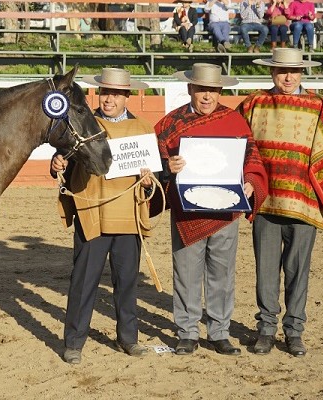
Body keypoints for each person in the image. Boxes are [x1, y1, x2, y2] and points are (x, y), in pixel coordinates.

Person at [238, 48, 323, 357]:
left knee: (299, 270)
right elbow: (234, 143)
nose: (288, 77)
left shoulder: (319, 106)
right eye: (282, 71)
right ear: (271, 72)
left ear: (302, 73)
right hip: (267, 203)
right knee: (266, 271)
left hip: (304, 205)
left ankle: (294, 331)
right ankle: (266, 329)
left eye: (294, 71)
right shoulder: (253, 104)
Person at [154, 63, 268, 356]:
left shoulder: (235, 121)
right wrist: (168, 167)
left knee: (222, 273)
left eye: (213, 90)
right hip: (187, 212)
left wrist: (251, 183)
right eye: (201, 89)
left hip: (224, 213)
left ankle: (219, 332)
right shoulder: (171, 123)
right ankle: (187, 332)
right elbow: (155, 159)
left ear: (220, 91)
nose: (207, 96)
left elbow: (252, 159)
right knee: (186, 274)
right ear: (190, 88)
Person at [51, 68, 154, 365]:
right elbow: (65, 164)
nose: (109, 99)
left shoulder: (143, 129)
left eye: (116, 94)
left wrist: (150, 180)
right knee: (83, 282)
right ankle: (73, 342)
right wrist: (57, 163)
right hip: (91, 212)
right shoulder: (82, 123)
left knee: (127, 282)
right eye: (105, 93)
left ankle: (128, 338)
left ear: (126, 96)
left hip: (127, 215)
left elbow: (155, 176)